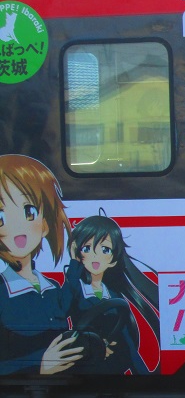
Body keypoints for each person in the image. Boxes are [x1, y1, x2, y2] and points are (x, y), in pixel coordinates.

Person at [0, 154, 82, 374]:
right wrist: (41, 366)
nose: (17, 227)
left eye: (29, 212)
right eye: (1, 217)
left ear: (45, 225)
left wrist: (75, 263)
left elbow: (66, 305)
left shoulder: (50, 287)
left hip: (60, 382)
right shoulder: (2, 291)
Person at [63, 211, 160, 373]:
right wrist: (74, 263)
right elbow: (62, 309)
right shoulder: (76, 288)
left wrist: (143, 374)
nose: (95, 256)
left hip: (115, 366)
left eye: (105, 249)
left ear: (114, 260)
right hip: (85, 364)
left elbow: (127, 340)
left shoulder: (113, 294)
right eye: (87, 248)